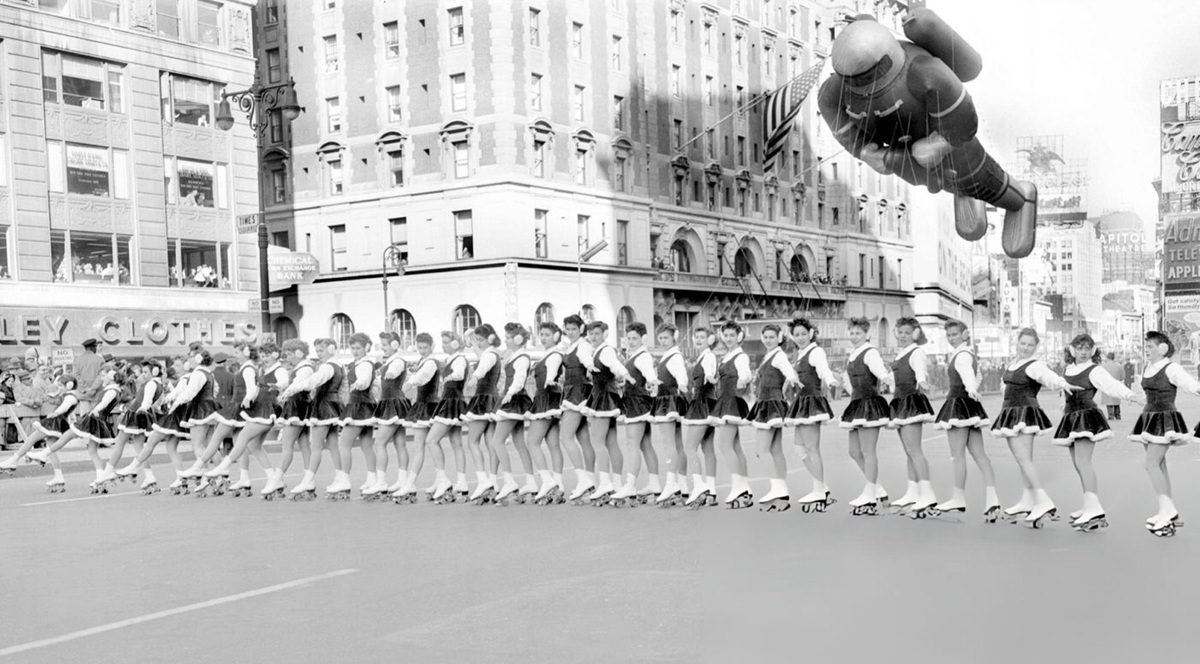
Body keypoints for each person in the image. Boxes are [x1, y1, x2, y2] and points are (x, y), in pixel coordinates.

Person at [990, 328, 1080, 528]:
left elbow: (1047, 376)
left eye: (1030, 345)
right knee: (1024, 460)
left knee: (1023, 459)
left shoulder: (1034, 365)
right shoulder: (1014, 363)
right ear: (1017, 343)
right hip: (1012, 412)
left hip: (1023, 412)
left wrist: (1061, 383)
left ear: (1036, 346)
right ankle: (1027, 499)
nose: (1026, 347)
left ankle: (1043, 501)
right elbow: (1005, 387)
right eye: (1023, 343)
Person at [1053, 334, 1143, 531]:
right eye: (1080, 347)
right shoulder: (1068, 369)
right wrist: (1063, 402)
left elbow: (1110, 385)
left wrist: (1129, 395)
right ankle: (1088, 504)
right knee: (1078, 464)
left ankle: (1094, 509)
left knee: (1084, 463)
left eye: (1087, 348)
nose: (1083, 351)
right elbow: (1064, 391)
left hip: (1085, 416)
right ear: (1072, 350)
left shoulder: (1094, 370)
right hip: (1070, 417)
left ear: (1093, 350)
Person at [931, 320, 1001, 520]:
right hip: (970, 406)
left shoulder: (961, 355)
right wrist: (973, 390)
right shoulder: (970, 354)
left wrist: (970, 388)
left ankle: (958, 497)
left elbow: (969, 375)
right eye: (949, 335)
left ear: (964, 334)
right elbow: (978, 375)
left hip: (957, 405)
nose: (951, 338)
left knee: (957, 455)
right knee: (980, 455)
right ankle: (992, 498)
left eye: (955, 334)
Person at [1133, 331, 1200, 536]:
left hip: (1165, 418)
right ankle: (1166, 510)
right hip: (1148, 417)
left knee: (1151, 464)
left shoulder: (1172, 367)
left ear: (1162, 348)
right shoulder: (1148, 367)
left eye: (1151, 346)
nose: (1147, 350)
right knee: (1159, 464)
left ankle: (1168, 510)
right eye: (1146, 346)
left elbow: (1190, 385)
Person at [784, 317, 839, 512]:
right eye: (796, 334)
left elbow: (823, 370)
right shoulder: (800, 354)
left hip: (811, 403)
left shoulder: (816, 351)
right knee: (800, 450)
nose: (800, 337)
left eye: (803, 334)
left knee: (812, 448)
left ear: (811, 334)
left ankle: (818, 489)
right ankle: (822, 487)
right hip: (800, 403)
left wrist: (830, 380)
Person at [839, 317, 893, 516]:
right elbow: (849, 381)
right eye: (851, 333)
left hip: (869, 404)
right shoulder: (853, 354)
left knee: (868, 451)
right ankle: (878, 489)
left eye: (858, 333)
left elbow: (880, 372)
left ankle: (870, 492)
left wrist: (888, 378)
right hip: (855, 404)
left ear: (867, 334)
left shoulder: (870, 352)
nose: (854, 336)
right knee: (854, 451)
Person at [887, 317, 938, 516]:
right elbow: (894, 378)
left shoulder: (917, 352)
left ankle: (928, 494)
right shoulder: (901, 353)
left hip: (911, 402)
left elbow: (920, 372)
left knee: (915, 450)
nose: (902, 336)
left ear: (915, 334)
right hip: (899, 401)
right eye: (900, 332)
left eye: (907, 333)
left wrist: (923, 381)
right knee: (908, 451)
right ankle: (912, 491)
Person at [283, 338, 343, 500]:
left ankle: (308, 481)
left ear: (331, 349)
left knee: (316, 446)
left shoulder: (327, 367)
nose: (318, 354)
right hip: (334, 406)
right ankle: (341, 478)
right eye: (317, 351)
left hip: (323, 407)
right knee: (333, 445)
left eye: (321, 350)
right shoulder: (338, 365)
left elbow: (314, 381)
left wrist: (293, 389)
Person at [749, 323, 801, 510]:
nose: (768, 340)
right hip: (771, 403)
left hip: (770, 404)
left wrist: (792, 379)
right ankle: (782, 490)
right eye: (766, 337)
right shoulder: (770, 355)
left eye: (772, 336)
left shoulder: (778, 355)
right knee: (775, 449)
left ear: (779, 338)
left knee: (761, 451)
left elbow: (789, 371)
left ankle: (777, 488)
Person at [580, 320, 631, 505]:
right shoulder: (598, 350)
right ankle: (616, 483)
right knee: (610, 442)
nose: (593, 337)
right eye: (591, 334)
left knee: (597, 441)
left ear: (605, 334)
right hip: (605, 395)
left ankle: (606, 482)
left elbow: (614, 365)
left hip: (603, 398)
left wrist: (624, 374)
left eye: (597, 334)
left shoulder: (606, 350)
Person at [0, 375, 79, 491]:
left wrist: (55, 413)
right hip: (58, 422)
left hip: (55, 421)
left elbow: (64, 407)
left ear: (69, 385)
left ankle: (13, 460)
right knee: (51, 449)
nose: (59, 388)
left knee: (32, 438)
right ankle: (58, 476)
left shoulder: (71, 396)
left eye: (61, 386)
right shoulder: (67, 395)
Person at [614, 322, 661, 505]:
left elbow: (649, 375)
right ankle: (655, 484)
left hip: (637, 402)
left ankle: (630, 485)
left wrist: (652, 381)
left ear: (643, 339)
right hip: (637, 401)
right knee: (645, 444)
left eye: (635, 338)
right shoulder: (635, 355)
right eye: (629, 338)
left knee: (632, 443)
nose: (631, 341)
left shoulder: (642, 357)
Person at [489, 323, 537, 503]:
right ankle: (530, 481)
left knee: (497, 441)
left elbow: (519, 379)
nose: (506, 340)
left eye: (509, 337)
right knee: (519, 442)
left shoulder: (522, 357)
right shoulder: (514, 355)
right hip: (514, 399)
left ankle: (509, 481)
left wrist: (509, 393)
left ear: (518, 339)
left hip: (514, 400)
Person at [711, 320, 755, 508]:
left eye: (731, 335)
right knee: (735, 446)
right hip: (725, 400)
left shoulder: (740, 356)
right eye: (726, 335)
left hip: (731, 402)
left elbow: (746, 373)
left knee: (725, 446)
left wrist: (743, 380)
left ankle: (738, 487)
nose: (728, 339)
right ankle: (745, 488)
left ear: (738, 336)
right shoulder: (728, 355)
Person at [263, 339, 314, 497]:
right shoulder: (302, 367)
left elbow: (298, 385)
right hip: (301, 406)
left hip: (296, 407)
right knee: (304, 443)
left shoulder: (305, 368)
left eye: (290, 354)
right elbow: (293, 384)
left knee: (287, 444)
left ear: (299, 353)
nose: (288, 357)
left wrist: (284, 394)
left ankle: (277, 479)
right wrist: (279, 387)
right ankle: (308, 479)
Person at [330, 333, 377, 499]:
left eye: (358, 348)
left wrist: (359, 383)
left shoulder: (365, 364)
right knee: (366, 445)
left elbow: (365, 379)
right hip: (365, 406)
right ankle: (373, 480)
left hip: (359, 407)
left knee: (344, 443)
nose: (355, 351)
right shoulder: (360, 362)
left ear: (366, 347)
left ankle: (345, 480)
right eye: (353, 348)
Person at [424, 331, 469, 501]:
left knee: (431, 440)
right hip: (452, 401)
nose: (444, 345)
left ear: (456, 343)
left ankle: (443, 480)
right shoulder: (450, 359)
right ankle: (461, 482)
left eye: (447, 342)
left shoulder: (459, 359)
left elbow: (458, 374)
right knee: (456, 443)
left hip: (451, 402)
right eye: (442, 342)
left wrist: (449, 377)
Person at [525, 322, 566, 505]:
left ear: (556, 336)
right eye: (541, 334)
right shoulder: (548, 353)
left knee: (532, 442)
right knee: (553, 444)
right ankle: (559, 484)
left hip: (545, 399)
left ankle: (547, 480)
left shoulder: (554, 354)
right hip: (552, 399)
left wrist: (550, 378)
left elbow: (552, 368)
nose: (543, 337)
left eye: (547, 334)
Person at [463, 324, 503, 503]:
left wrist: (474, 378)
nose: (478, 343)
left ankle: (483, 480)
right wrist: (473, 342)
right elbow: (482, 357)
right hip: (492, 398)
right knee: (491, 442)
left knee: (472, 441)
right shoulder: (493, 352)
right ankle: (494, 483)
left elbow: (483, 366)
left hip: (483, 398)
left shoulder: (489, 355)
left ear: (491, 339)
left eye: (481, 340)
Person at [368, 331, 411, 499]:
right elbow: (385, 380)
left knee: (379, 442)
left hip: (393, 404)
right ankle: (402, 480)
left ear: (394, 345)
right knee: (399, 443)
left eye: (384, 345)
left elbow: (394, 371)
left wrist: (390, 373)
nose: (382, 348)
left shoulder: (398, 361)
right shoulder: (391, 360)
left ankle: (381, 481)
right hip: (394, 402)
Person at [559, 315, 597, 502]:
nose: (570, 332)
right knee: (583, 438)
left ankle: (584, 481)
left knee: (565, 436)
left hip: (577, 391)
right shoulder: (571, 346)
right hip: (574, 389)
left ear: (581, 328)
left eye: (574, 328)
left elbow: (585, 359)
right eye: (568, 329)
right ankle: (589, 481)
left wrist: (589, 365)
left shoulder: (583, 345)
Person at [650, 324, 689, 506]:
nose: (662, 340)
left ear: (674, 337)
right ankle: (683, 486)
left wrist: (682, 384)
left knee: (669, 444)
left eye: (666, 337)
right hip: (669, 399)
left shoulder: (674, 356)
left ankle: (671, 484)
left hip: (669, 401)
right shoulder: (669, 355)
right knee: (677, 444)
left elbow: (681, 375)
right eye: (661, 337)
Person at [682, 327, 718, 508]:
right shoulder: (703, 356)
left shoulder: (708, 356)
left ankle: (699, 486)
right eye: (696, 337)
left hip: (702, 402)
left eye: (702, 337)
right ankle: (711, 490)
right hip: (708, 402)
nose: (698, 340)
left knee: (689, 447)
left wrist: (710, 376)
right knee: (708, 447)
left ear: (710, 340)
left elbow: (710, 370)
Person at [74, 338, 104, 411]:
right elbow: (101, 376)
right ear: (93, 347)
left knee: (84, 419)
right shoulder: (100, 360)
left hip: (83, 394)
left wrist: (85, 388)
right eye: (95, 347)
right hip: (96, 395)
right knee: (96, 419)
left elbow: (76, 376)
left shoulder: (77, 360)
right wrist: (92, 389)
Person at [1100, 352, 1125, 420]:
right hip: (1116, 385)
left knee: (1109, 401)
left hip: (1107, 385)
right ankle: (1117, 415)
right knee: (1116, 401)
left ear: (1108, 358)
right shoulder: (1119, 366)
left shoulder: (1103, 366)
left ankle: (1110, 415)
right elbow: (1122, 377)